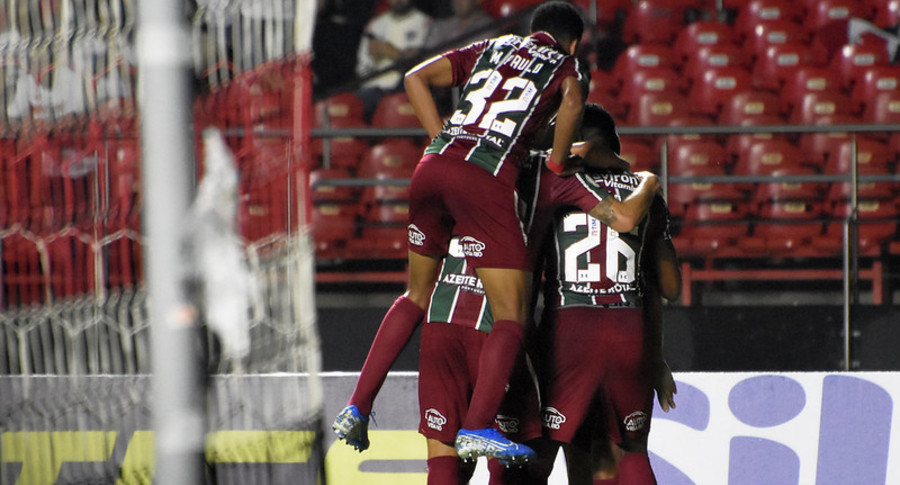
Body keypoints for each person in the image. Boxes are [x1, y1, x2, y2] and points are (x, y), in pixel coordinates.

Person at [335, 3, 660, 464]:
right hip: (485, 183)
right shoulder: (566, 68)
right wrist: (563, 157)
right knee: (511, 315)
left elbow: (414, 78)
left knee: (414, 294)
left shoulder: (496, 45)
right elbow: (569, 126)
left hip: (433, 165)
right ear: (573, 42)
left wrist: (441, 141)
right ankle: (479, 426)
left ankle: (357, 405)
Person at [529, 103, 678, 484]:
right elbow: (669, 288)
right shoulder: (646, 193)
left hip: (569, 329)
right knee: (632, 448)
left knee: (567, 447)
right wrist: (656, 357)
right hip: (629, 330)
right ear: (614, 145)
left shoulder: (552, 185)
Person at [354, 0, 431, 121]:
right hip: (371, 90)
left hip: (404, 90)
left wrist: (393, 53)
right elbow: (362, 67)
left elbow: (421, 60)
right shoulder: (374, 25)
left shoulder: (425, 22)